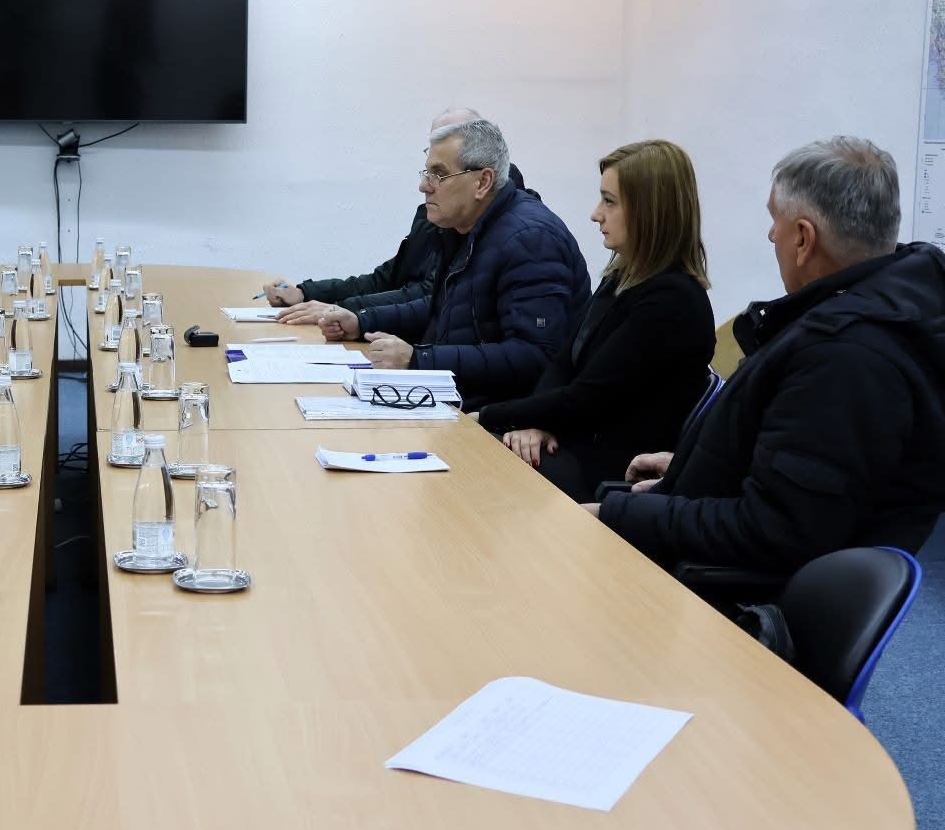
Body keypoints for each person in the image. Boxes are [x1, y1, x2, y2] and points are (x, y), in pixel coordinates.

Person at [591, 136, 945, 575]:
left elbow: (771, 530)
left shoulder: (845, 358)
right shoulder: (863, 317)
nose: (771, 234)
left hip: (724, 598)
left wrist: (616, 515)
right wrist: (692, 469)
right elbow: (801, 470)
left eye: (776, 220)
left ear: (803, 238)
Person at [477, 140, 714, 501]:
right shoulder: (622, 277)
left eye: (609, 201)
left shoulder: (672, 301)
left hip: (611, 474)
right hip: (576, 446)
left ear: (649, 211)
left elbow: (587, 398)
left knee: (480, 463)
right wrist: (533, 423)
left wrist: (484, 416)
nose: (596, 214)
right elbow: (564, 363)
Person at [317, 118, 591, 410]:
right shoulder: (462, 228)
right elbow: (445, 308)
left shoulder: (530, 239)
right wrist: (362, 321)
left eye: (439, 174)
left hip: (499, 419)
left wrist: (418, 360)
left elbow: (535, 355)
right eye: (427, 173)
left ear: (482, 182)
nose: (424, 186)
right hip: (459, 402)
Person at [259, 107, 524, 326]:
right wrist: (306, 293)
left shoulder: (508, 229)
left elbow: (430, 297)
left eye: (441, 169)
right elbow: (387, 278)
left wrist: (345, 312)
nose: (424, 185)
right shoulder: (436, 212)